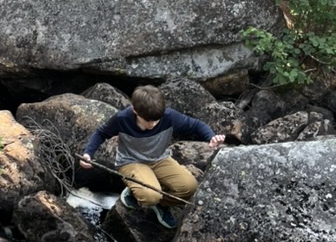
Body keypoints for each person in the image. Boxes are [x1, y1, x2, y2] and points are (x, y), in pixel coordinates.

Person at [78, 85, 225, 229]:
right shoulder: (122, 119)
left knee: (189, 187)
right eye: (148, 120)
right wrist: (88, 153)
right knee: (150, 196)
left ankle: (162, 205)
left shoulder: (169, 117)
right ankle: (136, 190)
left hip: (160, 159)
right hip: (131, 162)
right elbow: (101, 133)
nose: (153, 124)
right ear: (135, 111)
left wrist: (211, 137)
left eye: (157, 120)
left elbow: (196, 125)